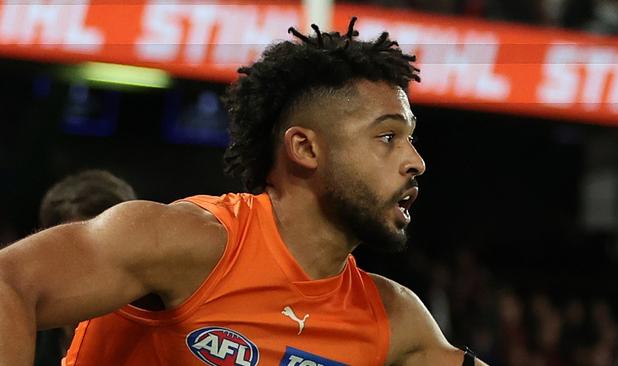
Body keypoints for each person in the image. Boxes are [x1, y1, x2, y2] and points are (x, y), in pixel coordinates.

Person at [0, 18, 488, 365]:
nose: (415, 161)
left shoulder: (395, 321)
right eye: (387, 137)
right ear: (305, 148)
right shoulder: (188, 241)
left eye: (411, 138)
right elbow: (10, 284)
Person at [31, 170, 136, 366]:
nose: (86, 267)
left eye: (102, 250)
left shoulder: (163, 332)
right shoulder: (21, 328)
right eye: (73, 249)